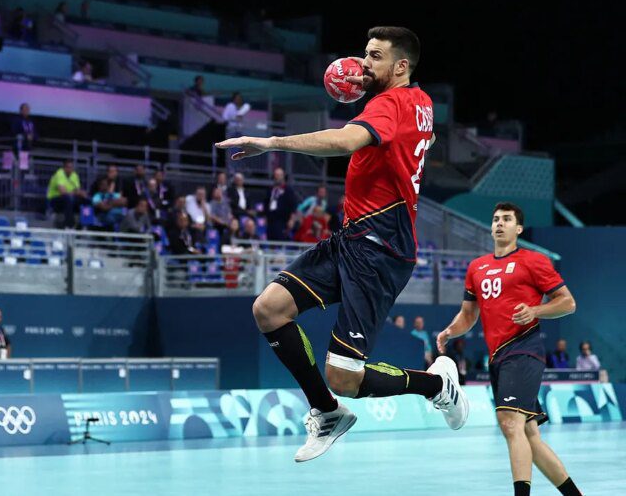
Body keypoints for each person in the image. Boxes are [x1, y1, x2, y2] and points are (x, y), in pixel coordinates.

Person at [215, 27, 465, 463]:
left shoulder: (390, 103)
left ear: (400, 66)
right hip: (351, 237)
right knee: (268, 309)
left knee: (345, 376)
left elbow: (348, 141)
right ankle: (327, 413)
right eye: (364, 53)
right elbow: (425, 137)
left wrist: (271, 142)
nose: (364, 63)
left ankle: (437, 385)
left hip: (381, 250)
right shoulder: (420, 101)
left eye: (375, 56)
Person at [436, 202, 581, 496]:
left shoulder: (534, 261)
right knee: (529, 434)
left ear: (518, 228)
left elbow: (568, 303)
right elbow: (468, 315)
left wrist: (536, 311)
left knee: (509, 423)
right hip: (497, 357)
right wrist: (451, 331)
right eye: (495, 219)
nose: (499, 223)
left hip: (524, 348)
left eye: (506, 219)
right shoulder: (477, 267)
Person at [47, 160, 87, 229]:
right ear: (64, 168)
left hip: (70, 198)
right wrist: (76, 193)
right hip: (54, 199)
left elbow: (77, 190)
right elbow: (63, 192)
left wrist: (82, 194)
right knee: (68, 198)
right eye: (68, 167)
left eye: (71, 167)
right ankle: (69, 225)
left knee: (86, 200)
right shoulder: (59, 174)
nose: (70, 169)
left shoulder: (74, 175)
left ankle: (84, 225)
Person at [264, 167, 297, 241]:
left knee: (280, 241)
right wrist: (265, 217)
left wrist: (292, 220)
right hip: (271, 220)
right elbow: (266, 204)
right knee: (270, 241)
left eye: (279, 175)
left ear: (283, 176)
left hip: (282, 221)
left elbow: (293, 206)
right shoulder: (270, 189)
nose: (277, 177)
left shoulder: (289, 190)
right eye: (276, 175)